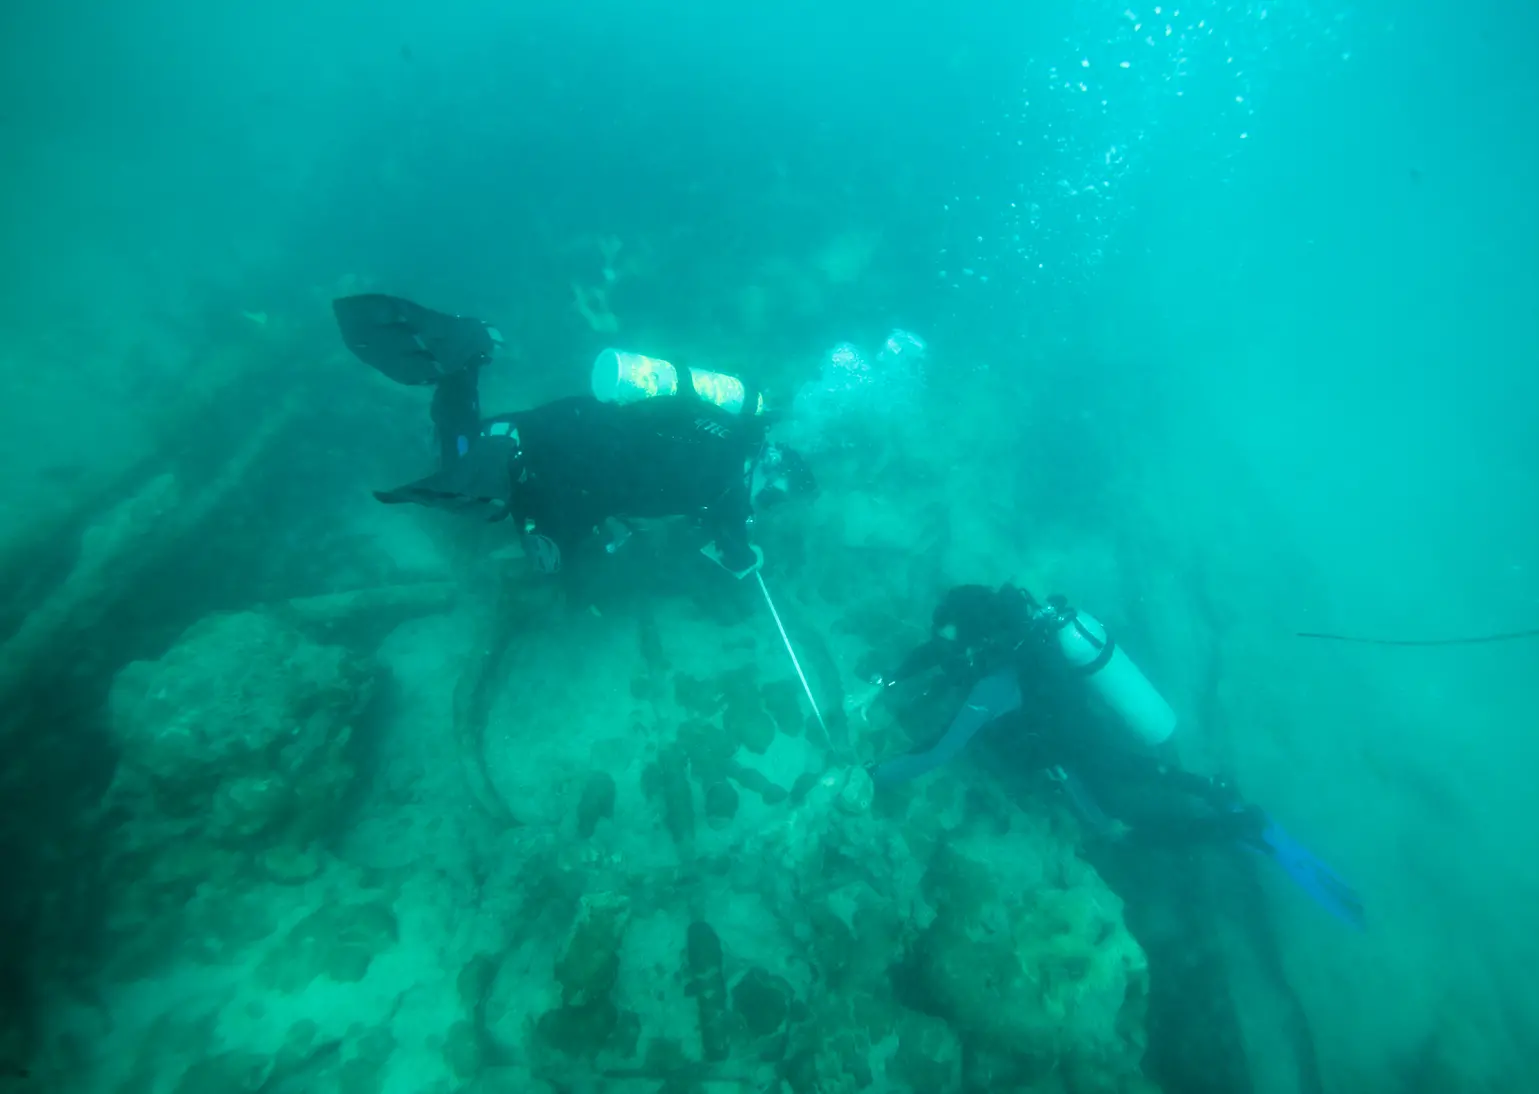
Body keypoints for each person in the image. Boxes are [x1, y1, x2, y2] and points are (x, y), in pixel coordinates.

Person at [864, 582, 1366, 928]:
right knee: (1121, 761)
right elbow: (939, 650)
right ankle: (1209, 788)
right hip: (1082, 722)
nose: (950, 650)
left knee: (1114, 828)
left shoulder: (995, 683)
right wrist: (885, 680)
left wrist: (870, 776)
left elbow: (940, 750)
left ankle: (1237, 828)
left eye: (956, 641)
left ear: (974, 634)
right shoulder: (1019, 635)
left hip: (1063, 748)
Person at [330, 294, 814, 577]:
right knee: (479, 476)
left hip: (579, 434)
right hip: (577, 460)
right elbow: (730, 542)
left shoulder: (727, 445)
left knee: (483, 465)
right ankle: (487, 403)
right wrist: (744, 556)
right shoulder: (731, 476)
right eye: (771, 500)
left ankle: (481, 393)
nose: (762, 507)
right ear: (768, 469)